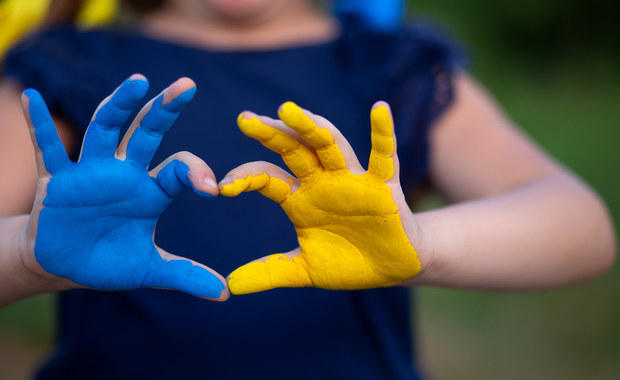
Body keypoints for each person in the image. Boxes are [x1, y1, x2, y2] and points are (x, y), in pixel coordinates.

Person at [0, 0, 615, 379]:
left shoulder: (392, 68)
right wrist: (28, 255)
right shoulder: (65, 68)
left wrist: (424, 242)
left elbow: (581, 226)